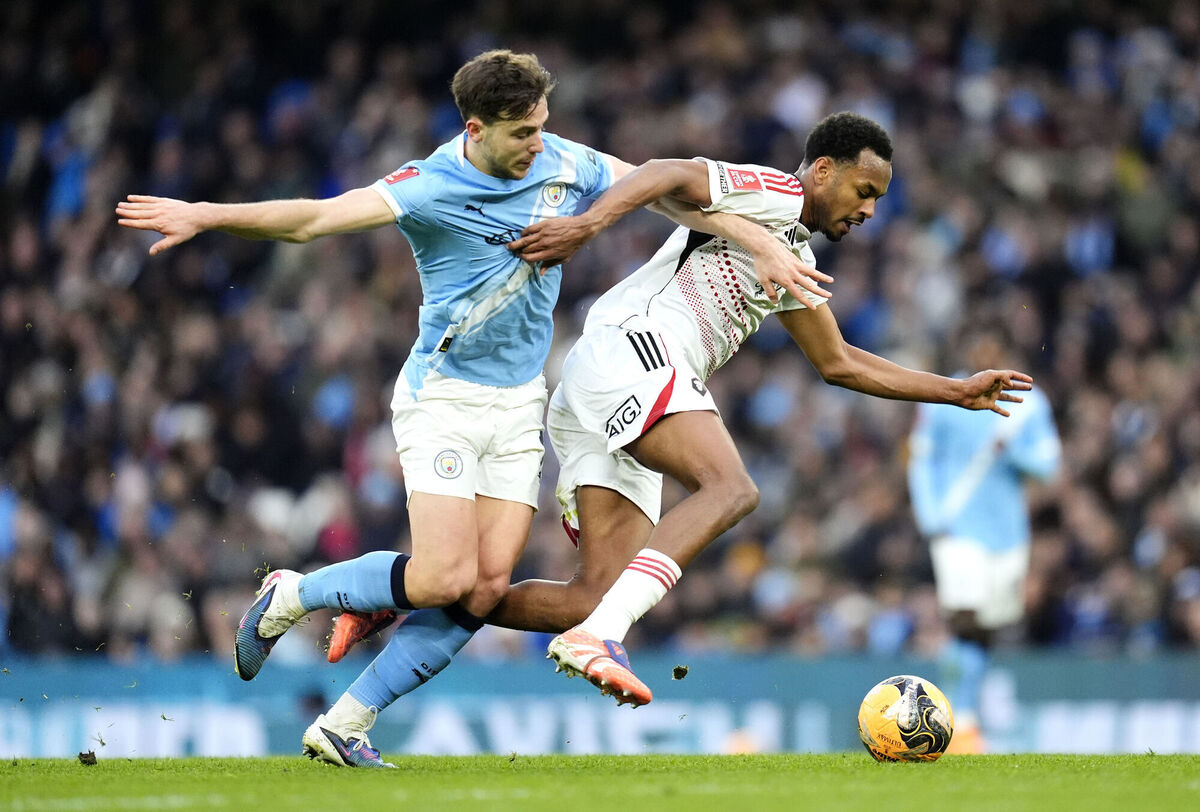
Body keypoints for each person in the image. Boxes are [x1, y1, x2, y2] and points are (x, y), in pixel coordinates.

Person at [117, 50, 828, 767]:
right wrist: (208, 214)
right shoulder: (430, 185)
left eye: (544, 127)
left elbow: (670, 196)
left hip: (520, 407)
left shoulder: (564, 162)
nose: (538, 146)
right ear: (476, 127)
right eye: (522, 133)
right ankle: (294, 593)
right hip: (444, 397)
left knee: (485, 590)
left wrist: (760, 239)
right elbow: (314, 219)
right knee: (439, 579)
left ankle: (344, 725)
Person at [332, 111, 1035, 709]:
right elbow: (668, 171)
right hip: (633, 353)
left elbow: (840, 363)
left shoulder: (789, 250)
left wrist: (955, 388)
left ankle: (407, 588)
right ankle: (596, 638)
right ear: (822, 169)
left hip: (615, 380)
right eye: (864, 189)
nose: (870, 208)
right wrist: (584, 227)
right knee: (732, 488)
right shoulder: (774, 195)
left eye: (880, 198)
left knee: (587, 592)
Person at [906, 329, 1061, 753]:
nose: (984, 356)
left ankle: (963, 717)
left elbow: (1049, 466)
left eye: (992, 350)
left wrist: (1010, 452)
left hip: (1008, 533)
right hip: (958, 528)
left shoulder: (1031, 404)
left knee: (987, 629)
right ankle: (959, 721)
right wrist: (930, 514)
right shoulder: (943, 400)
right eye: (978, 350)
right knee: (965, 618)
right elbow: (921, 460)